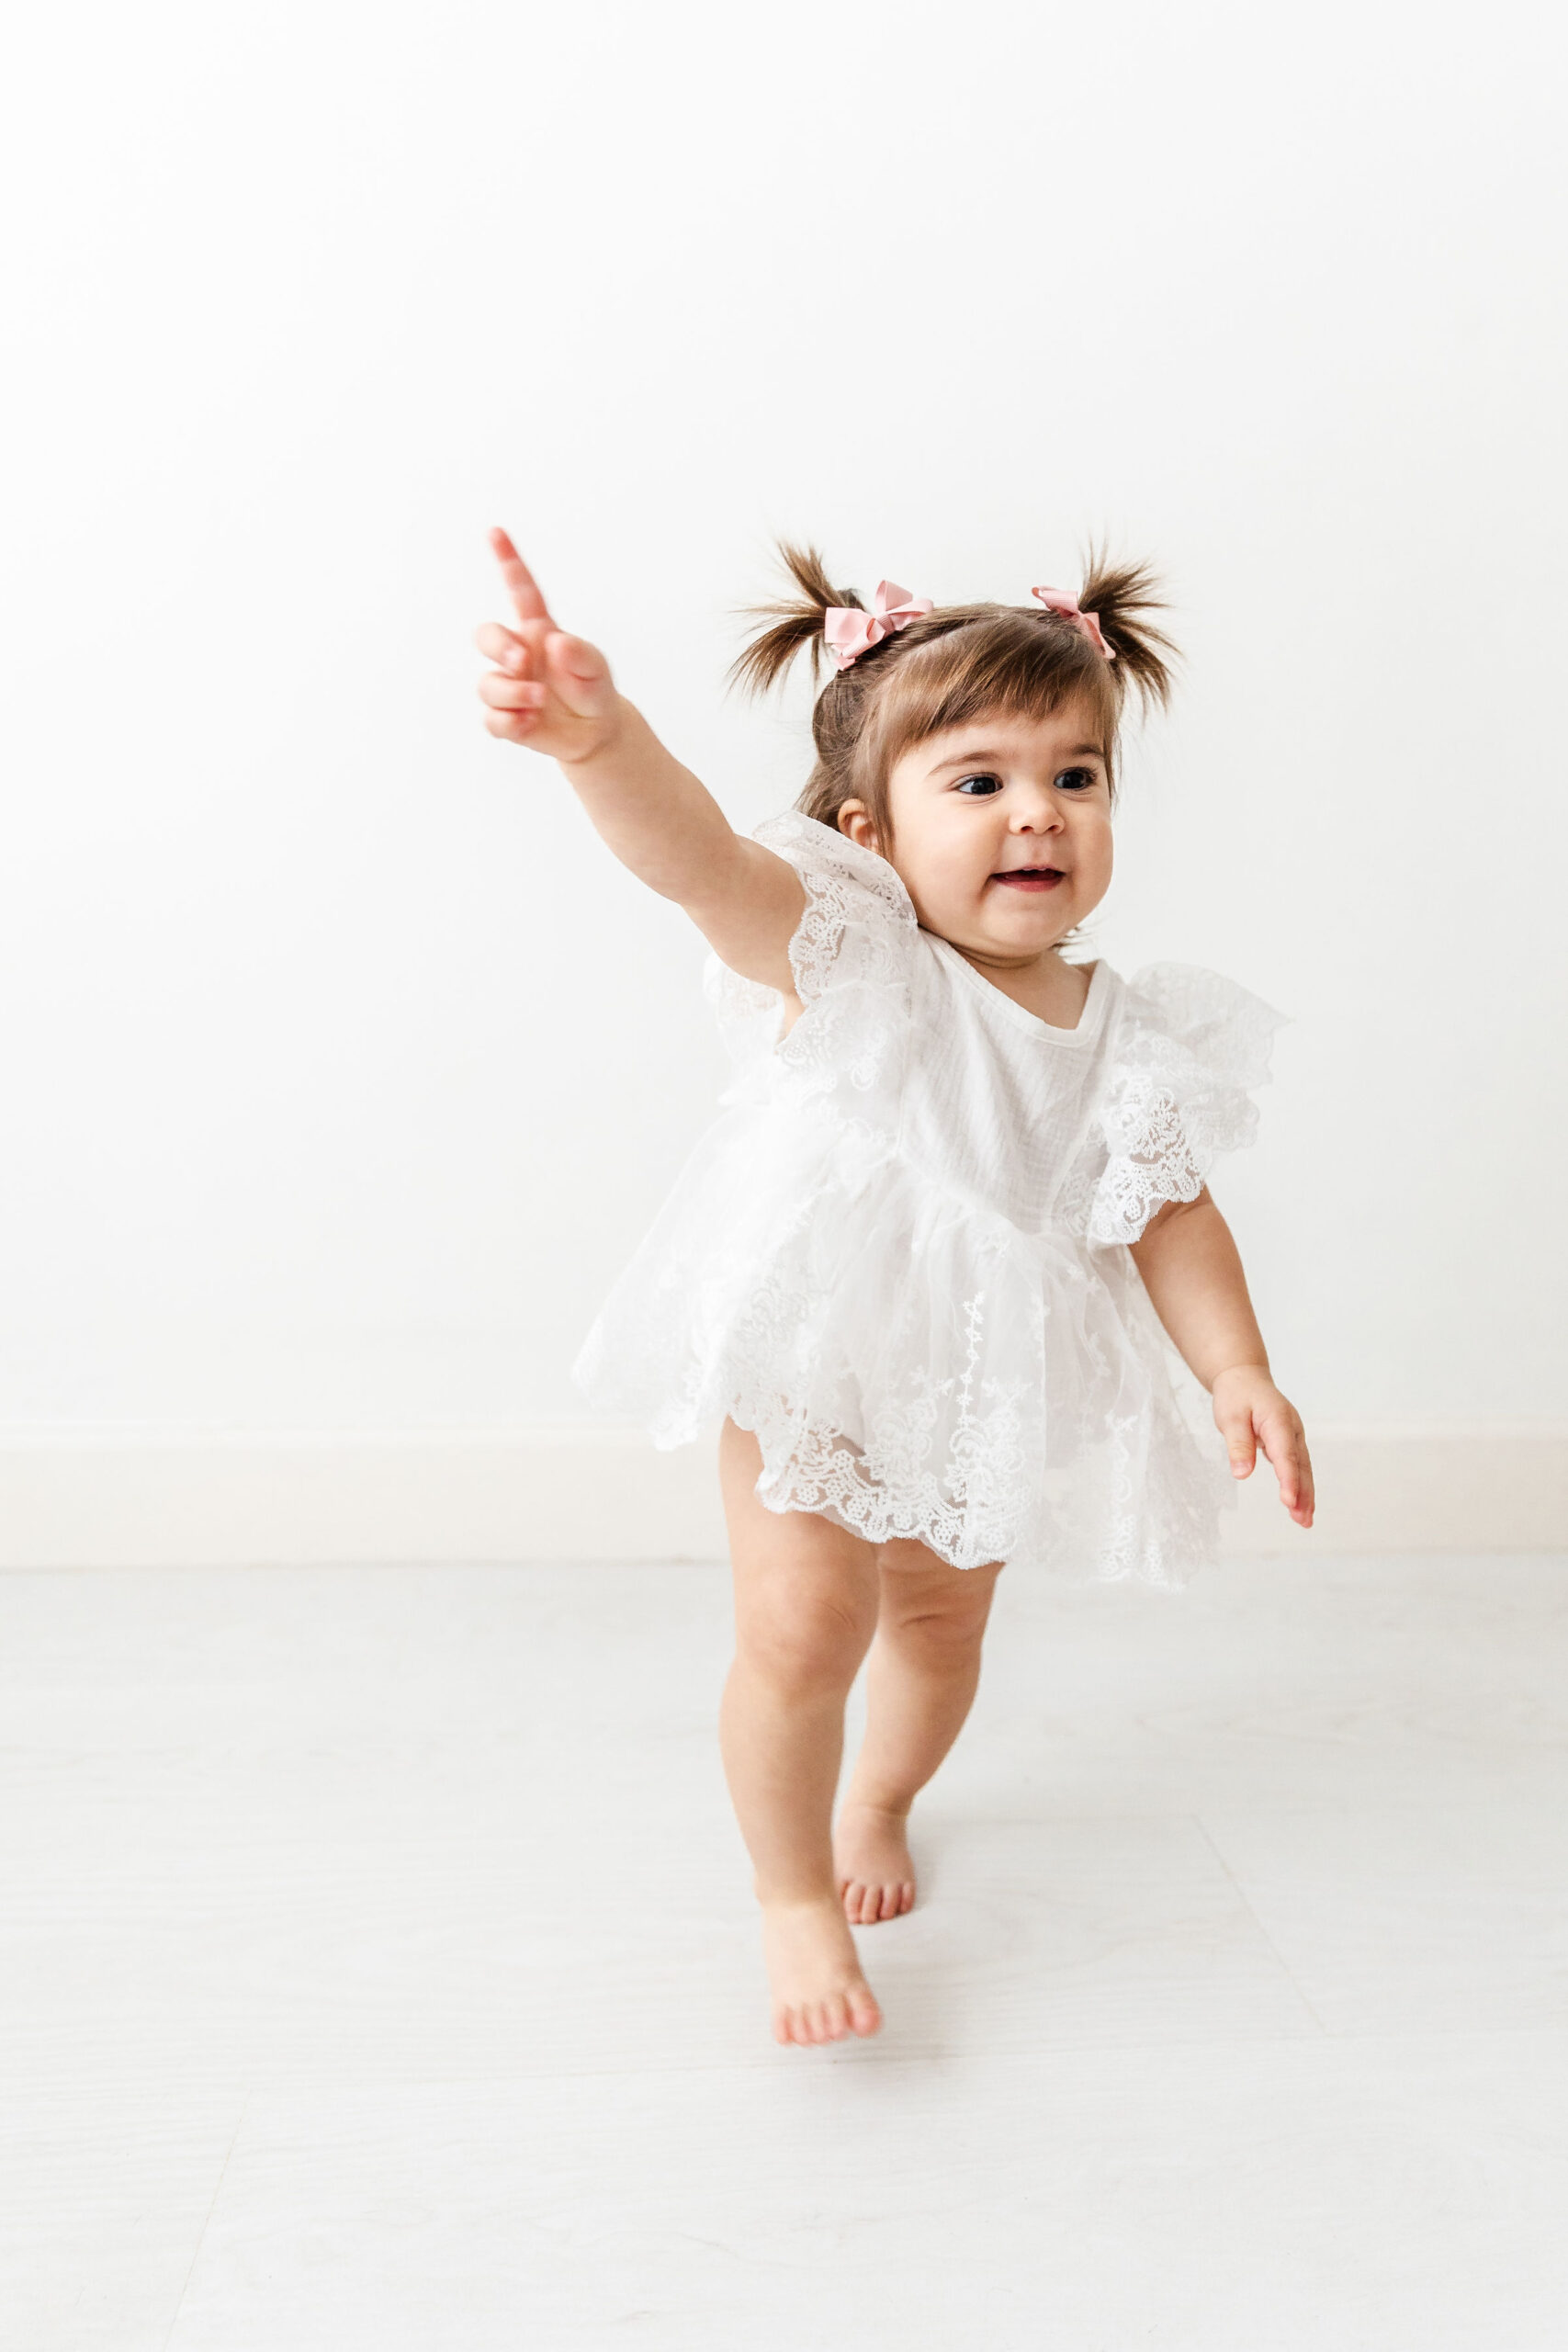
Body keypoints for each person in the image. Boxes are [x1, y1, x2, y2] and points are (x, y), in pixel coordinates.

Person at [474, 528, 1314, 2049]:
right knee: (805, 1626)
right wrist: (600, 743)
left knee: (937, 1627)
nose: (1037, 814)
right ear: (870, 830)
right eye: (978, 781)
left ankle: (882, 1795)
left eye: (1075, 775)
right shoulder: (856, 958)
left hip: (978, 1377)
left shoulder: (1128, 1028)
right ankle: (789, 1892)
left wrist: (1236, 1368)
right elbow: (698, 861)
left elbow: (1170, 1210)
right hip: (816, 1354)